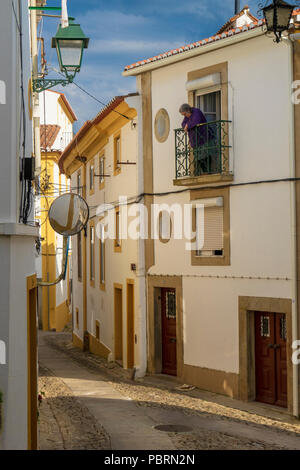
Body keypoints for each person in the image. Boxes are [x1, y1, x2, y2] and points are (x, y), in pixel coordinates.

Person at [179, 103, 208, 175]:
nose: (185, 116)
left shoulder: (196, 112)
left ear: (188, 110)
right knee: (198, 157)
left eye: (185, 114)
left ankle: (206, 171)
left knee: (205, 155)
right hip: (195, 141)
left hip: (203, 137)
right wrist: (186, 125)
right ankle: (200, 172)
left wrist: (187, 125)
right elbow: (183, 124)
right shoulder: (187, 116)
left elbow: (196, 121)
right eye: (183, 115)